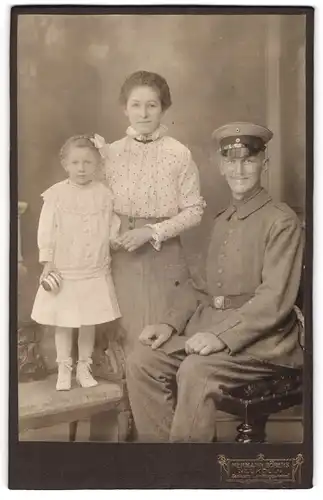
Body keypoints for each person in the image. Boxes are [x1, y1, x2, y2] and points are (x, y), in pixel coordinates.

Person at [126, 122, 304, 442]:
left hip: (264, 345)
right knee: (143, 360)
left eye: (248, 160)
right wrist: (169, 323)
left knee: (197, 370)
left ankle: (190, 475)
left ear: (264, 164)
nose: (240, 169)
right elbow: (200, 288)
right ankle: (170, 463)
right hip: (211, 333)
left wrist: (220, 336)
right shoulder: (222, 220)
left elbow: (275, 299)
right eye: (232, 161)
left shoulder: (281, 220)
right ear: (222, 166)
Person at [102, 70, 205, 354]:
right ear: (125, 108)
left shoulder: (178, 153)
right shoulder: (109, 154)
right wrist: (113, 235)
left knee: (158, 344)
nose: (144, 113)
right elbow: (97, 204)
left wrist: (150, 232)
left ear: (164, 108)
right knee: (122, 340)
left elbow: (194, 210)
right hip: (121, 255)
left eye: (152, 105)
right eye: (136, 105)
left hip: (164, 257)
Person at [31, 135, 121, 391]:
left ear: (97, 165)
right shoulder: (56, 195)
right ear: (65, 164)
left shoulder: (104, 194)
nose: (81, 168)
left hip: (93, 269)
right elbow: (46, 229)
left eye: (88, 163)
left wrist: (115, 239)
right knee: (64, 321)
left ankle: (84, 365)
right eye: (75, 162)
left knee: (88, 321)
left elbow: (111, 225)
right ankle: (64, 367)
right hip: (66, 269)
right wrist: (47, 260)